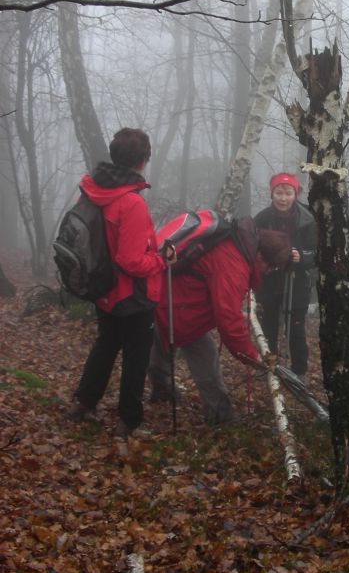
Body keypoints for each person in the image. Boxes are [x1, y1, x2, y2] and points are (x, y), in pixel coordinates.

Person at [67, 128, 168, 439]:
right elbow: (131, 261)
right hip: (132, 294)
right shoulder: (131, 202)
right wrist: (162, 259)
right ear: (143, 161)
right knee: (136, 357)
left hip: (103, 288)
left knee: (106, 345)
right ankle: (129, 423)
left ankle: (83, 404)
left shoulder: (94, 188)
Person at [148, 221, 291, 425]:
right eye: (271, 266)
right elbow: (229, 321)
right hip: (174, 307)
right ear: (261, 257)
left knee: (162, 349)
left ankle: (164, 392)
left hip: (177, 305)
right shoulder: (234, 264)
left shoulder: (236, 247)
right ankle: (219, 416)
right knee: (201, 357)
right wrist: (252, 356)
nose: (268, 272)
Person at [253, 172, 317, 378]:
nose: (283, 198)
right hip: (268, 283)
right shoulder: (262, 219)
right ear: (272, 194)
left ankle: (299, 372)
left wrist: (302, 258)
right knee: (268, 327)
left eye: (288, 193)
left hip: (298, 284)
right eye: (278, 193)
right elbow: (252, 251)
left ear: (295, 194)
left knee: (296, 330)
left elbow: (318, 252)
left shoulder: (308, 218)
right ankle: (269, 368)